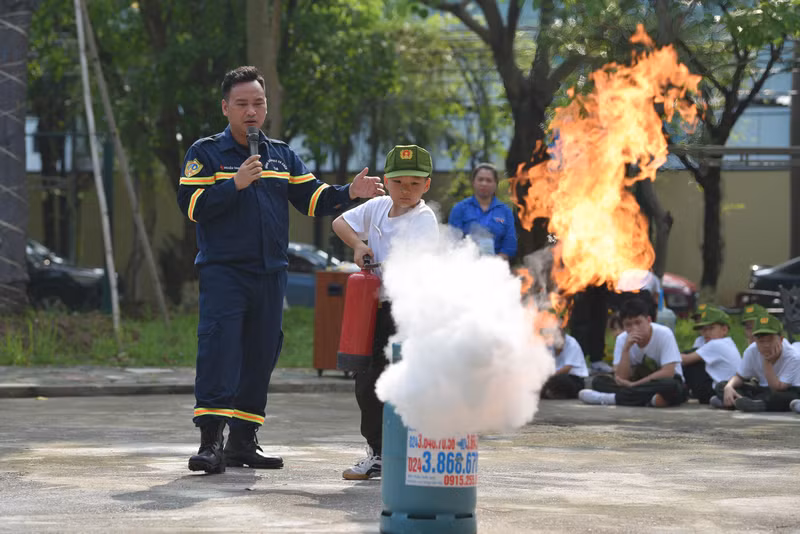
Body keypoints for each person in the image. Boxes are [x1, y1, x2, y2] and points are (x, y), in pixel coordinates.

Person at [177, 66, 384, 474]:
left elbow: (311, 198)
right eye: (242, 104)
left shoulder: (280, 154)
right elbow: (192, 207)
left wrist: (349, 193)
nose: (251, 111)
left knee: (260, 354)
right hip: (225, 273)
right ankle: (210, 444)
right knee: (219, 350)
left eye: (258, 103)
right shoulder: (205, 153)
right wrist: (233, 183)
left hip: (271, 275)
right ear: (225, 108)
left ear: (266, 106)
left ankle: (243, 442)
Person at [332, 144, 439, 480]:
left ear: (427, 185)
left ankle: (411, 453)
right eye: (398, 182)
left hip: (407, 313)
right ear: (386, 182)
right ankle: (378, 453)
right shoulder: (377, 207)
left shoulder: (424, 219)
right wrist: (359, 245)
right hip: (372, 312)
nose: (405, 191)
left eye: (413, 183)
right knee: (367, 381)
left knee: (404, 383)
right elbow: (339, 222)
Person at [578, 297, 686, 407]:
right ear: (623, 326)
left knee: (671, 386)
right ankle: (649, 400)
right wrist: (626, 349)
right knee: (599, 381)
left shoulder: (664, 334)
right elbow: (621, 378)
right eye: (628, 325)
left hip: (660, 383)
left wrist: (634, 385)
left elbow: (668, 373)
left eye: (638, 322)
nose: (634, 328)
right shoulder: (622, 339)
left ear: (648, 320)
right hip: (640, 385)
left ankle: (613, 398)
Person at [710, 314, 800, 412]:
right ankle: (741, 402)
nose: (766, 345)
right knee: (721, 386)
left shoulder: (793, 356)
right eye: (761, 341)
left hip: (783, 390)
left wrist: (767, 362)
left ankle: (742, 403)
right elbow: (740, 376)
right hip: (761, 390)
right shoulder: (751, 350)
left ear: (781, 339)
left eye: (770, 340)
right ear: (755, 340)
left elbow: (777, 387)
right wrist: (729, 387)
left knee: (783, 397)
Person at [447, 163, 516, 260]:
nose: (484, 183)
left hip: (497, 267)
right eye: (480, 179)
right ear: (473, 182)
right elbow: (452, 241)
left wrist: (495, 261)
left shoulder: (505, 212)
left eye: (489, 180)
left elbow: (510, 245)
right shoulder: (459, 209)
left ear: (496, 184)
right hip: (466, 265)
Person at [680, 307, 741, 404]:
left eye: (711, 328)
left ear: (724, 330)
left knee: (689, 365)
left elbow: (685, 360)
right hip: (729, 386)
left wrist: (667, 356)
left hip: (719, 389)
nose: (706, 333)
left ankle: (682, 392)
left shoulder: (716, 344)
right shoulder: (728, 342)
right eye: (704, 329)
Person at [541, 333, 589, 400]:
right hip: (551, 377)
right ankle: (550, 392)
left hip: (573, 379)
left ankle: (553, 392)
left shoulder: (571, 343)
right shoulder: (546, 343)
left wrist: (548, 377)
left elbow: (567, 368)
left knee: (561, 379)